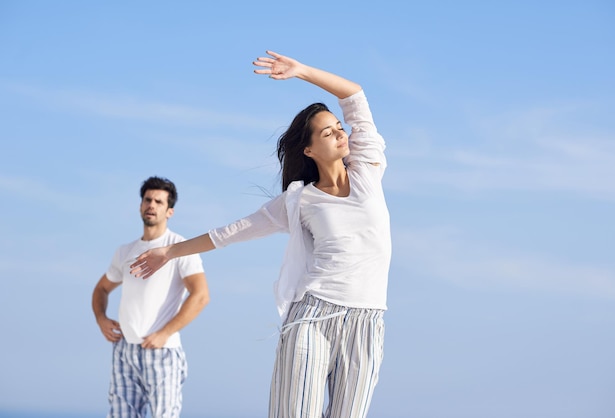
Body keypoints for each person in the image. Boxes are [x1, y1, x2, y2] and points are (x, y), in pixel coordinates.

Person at [131, 51, 391, 418]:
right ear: (309, 149)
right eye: (327, 131)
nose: (339, 133)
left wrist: (302, 71)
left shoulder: (368, 169)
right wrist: (169, 253)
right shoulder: (298, 201)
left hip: (367, 321)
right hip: (312, 317)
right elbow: (232, 232)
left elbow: (355, 97)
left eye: (339, 127)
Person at [92, 176, 209, 418]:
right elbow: (101, 289)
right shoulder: (125, 251)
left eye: (158, 201)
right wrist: (101, 318)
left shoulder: (179, 247)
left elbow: (201, 295)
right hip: (124, 350)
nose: (151, 205)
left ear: (170, 211)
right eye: (147, 200)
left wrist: (165, 333)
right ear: (140, 205)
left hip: (162, 351)